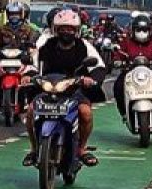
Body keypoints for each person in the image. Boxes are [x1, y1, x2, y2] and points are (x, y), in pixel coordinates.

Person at [21, 9, 106, 168]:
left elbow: (99, 67)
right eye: (62, 29)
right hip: (47, 89)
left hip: (74, 90)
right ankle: (34, 149)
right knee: (32, 110)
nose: (66, 32)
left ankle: (82, 149)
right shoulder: (46, 45)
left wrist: (91, 79)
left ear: (77, 30)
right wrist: (29, 75)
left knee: (86, 113)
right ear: (55, 29)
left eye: (70, 29)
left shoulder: (84, 46)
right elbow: (33, 64)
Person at [113, 15, 152, 123]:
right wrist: (117, 61)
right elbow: (119, 53)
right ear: (133, 30)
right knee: (118, 86)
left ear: (150, 31)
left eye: (145, 30)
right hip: (129, 71)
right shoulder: (127, 41)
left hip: (151, 71)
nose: (141, 33)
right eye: (138, 30)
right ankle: (124, 113)